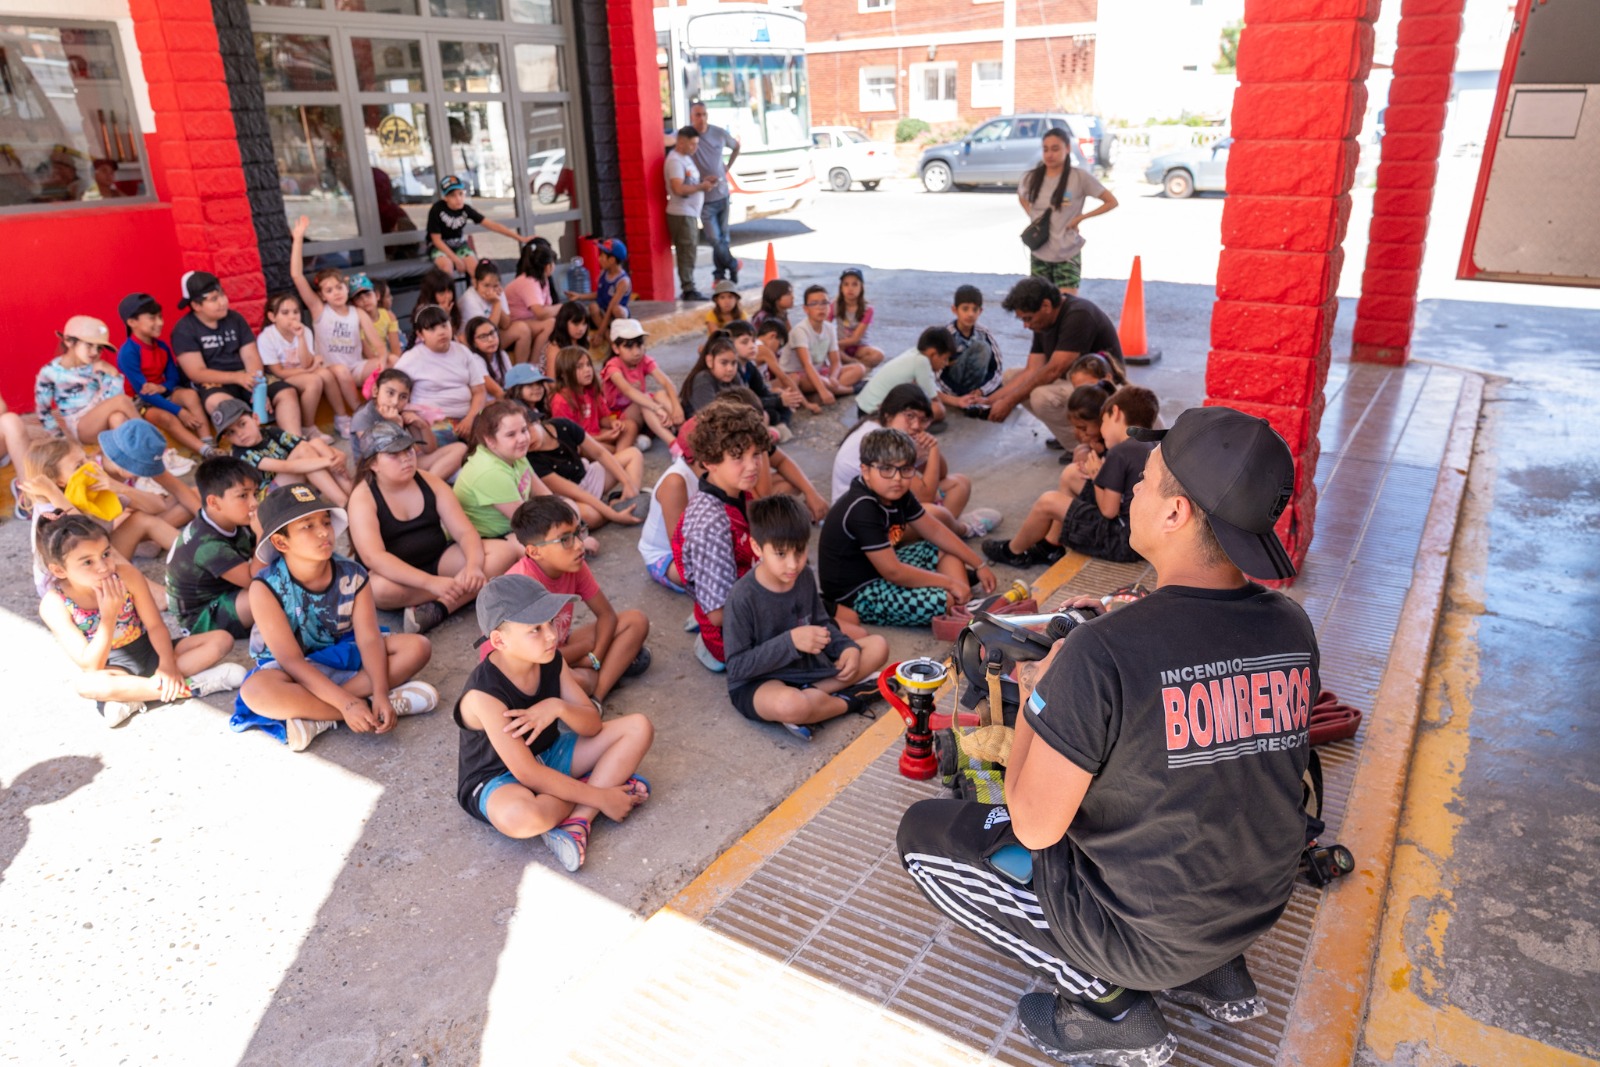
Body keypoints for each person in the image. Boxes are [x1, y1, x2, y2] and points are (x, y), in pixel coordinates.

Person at [897, 406, 1314, 1065]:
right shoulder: (1292, 626)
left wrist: (1040, 694)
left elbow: (1034, 826)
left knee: (925, 837)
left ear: (1176, 513)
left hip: (1143, 933)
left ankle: (1112, 1007)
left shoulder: (1103, 652)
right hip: (1254, 909)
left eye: (1146, 478)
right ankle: (1215, 970)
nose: (1134, 489)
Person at [453, 574, 653, 872]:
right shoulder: (484, 695)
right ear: (499, 640)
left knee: (639, 727)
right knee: (522, 818)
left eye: (550, 622)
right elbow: (528, 773)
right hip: (499, 779)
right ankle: (597, 785)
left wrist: (557, 707)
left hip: (549, 754)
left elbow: (592, 725)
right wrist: (602, 796)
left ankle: (580, 819)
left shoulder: (550, 659)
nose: (551, 636)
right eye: (535, 629)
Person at [233, 484, 439, 752]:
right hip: (290, 670)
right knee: (255, 691)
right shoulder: (265, 588)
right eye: (308, 526)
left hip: (339, 655)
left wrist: (379, 691)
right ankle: (359, 710)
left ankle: (319, 715)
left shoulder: (353, 574)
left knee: (418, 647)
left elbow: (369, 639)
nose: (323, 532)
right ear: (282, 542)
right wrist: (346, 704)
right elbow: (292, 661)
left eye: (326, 522)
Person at [39, 514, 243, 728]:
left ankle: (134, 697)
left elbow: (155, 625)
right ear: (59, 570)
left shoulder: (126, 575)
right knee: (86, 684)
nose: (103, 567)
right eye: (88, 562)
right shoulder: (54, 604)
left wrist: (167, 665)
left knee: (221, 640)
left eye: (106, 554)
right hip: (113, 669)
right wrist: (109, 616)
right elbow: (91, 665)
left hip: (151, 651)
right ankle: (189, 686)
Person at [722, 494, 889, 741]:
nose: (793, 564)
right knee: (791, 705)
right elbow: (737, 667)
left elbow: (822, 623)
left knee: (878, 645)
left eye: (799, 551)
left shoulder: (804, 576)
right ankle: (852, 699)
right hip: (761, 682)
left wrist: (847, 648)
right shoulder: (742, 596)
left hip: (807, 669)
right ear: (757, 548)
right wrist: (790, 642)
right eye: (781, 554)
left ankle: (814, 697)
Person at [346, 422, 520, 634]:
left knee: (502, 552)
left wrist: (473, 566)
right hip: (394, 576)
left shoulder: (429, 481)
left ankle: (439, 607)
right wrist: (431, 583)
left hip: (438, 559)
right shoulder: (362, 498)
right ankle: (461, 592)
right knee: (376, 589)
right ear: (373, 463)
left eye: (408, 450)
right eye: (394, 455)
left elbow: (464, 532)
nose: (406, 458)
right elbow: (374, 558)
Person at [818, 428, 997, 630]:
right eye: (886, 469)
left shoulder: (897, 492)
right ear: (865, 471)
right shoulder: (862, 508)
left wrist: (979, 564)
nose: (897, 478)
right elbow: (893, 572)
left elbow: (936, 531)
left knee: (947, 550)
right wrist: (949, 582)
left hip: (881, 569)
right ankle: (960, 605)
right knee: (943, 599)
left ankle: (964, 605)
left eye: (905, 469)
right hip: (857, 593)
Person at [985, 384, 1158, 568]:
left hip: (1122, 541)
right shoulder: (1150, 443)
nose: (1102, 429)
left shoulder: (1120, 452)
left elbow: (1109, 511)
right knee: (1072, 474)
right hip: (1143, 536)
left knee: (1048, 502)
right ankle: (1051, 545)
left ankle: (1014, 552)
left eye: (1103, 421)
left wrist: (1097, 477)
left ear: (1115, 413)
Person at [507, 497, 651, 704]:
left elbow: (606, 615)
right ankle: (606, 674)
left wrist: (595, 657)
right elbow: (535, 661)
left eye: (578, 532)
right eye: (565, 540)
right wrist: (587, 647)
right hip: (527, 670)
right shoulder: (522, 587)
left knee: (635, 621)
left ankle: (596, 700)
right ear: (534, 552)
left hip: (559, 648)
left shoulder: (574, 565)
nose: (579, 545)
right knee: (581, 681)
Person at [671, 401, 769, 672]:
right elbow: (718, 614)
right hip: (730, 637)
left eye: (756, 454)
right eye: (738, 457)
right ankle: (707, 648)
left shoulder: (737, 491)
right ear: (709, 462)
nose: (752, 466)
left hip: (749, 594)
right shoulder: (710, 523)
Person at [832, 384, 998, 541]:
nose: (917, 425)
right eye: (909, 416)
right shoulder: (883, 442)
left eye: (923, 419)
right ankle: (962, 529)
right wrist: (933, 449)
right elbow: (926, 496)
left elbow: (941, 474)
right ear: (888, 414)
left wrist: (931, 448)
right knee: (934, 512)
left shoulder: (891, 430)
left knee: (960, 484)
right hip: (862, 528)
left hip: (885, 506)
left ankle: (940, 533)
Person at [985, 276, 1124, 452]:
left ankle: (1087, 448)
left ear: (1046, 305)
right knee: (1011, 377)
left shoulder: (1079, 314)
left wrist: (1008, 402)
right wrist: (990, 400)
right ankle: (1071, 435)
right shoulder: (1042, 321)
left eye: (1028, 318)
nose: (1026, 325)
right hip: (1073, 381)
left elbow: (1054, 370)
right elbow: (1032, 369)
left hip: (1105, 387)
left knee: (1041, 397)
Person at [171, 271, 301, 431]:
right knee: (224, 405)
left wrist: (258, 389)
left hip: (247, 377)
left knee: (286, 393)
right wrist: (237, 378)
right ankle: (254, 443)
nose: (223, 302)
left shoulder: (235, 319)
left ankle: (295, 441)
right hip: (214, 382)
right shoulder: (184, 329)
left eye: (222, 295)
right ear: (196, 306)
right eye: (214, 299)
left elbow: (251, 356)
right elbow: (196, 372)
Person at [21, 436, 183, 562]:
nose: (90, 465)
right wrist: (53, 493)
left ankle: (192, 554)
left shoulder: (89, 486)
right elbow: (85, 537)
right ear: (59, 482)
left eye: (87, 458)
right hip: (81, 576)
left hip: (102, 553)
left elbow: (158, 506)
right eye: (78, 466)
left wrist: (117, 486)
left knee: (142, 519)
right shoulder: (49, 509)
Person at [290, 216, 385, 417]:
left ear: (346, 288)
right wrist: (298, 239)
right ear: (322, 296)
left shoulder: (357, 313)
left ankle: (387, 407)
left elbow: (378, 344)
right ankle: (360, 414)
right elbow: (297, 276)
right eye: (329, 290)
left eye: (339, 287)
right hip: (332, 370)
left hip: (356, 368)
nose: (336, 293)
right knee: (341, 370)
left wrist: (384, 360)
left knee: (392, 360)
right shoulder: (319, 310)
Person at [166, 457, 262, 641]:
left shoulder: (231, 519)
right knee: (267, 592)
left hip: (226, 592)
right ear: (214, 502)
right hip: (201, 619)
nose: (254, 503)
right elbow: (255, 580)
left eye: (255, 494)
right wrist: (261, 535)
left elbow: (255, 553)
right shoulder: (207, 546)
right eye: (243, 496)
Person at [1019, 126, 1119, 295]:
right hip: (1039, 251)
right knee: (1040, 303)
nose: (1049, 154)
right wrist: (1033, 216)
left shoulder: (1080, 177)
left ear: (1067, 148)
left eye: (1055, 149)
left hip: (1068, 252)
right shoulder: (1031, 177)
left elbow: (1111, 202)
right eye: (1045, 149)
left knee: (1067, 303)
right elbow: (1022, 196)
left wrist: (1080, 218)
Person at [114, 293, 211, 456]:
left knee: (190, 395)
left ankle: (209, 441)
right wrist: (179, 411)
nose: (160, 323)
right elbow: (144, 392)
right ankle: (206, 451)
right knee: (167, 418)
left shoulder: (162, 347)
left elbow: (174, 378)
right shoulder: (128, 352)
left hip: (162, 392)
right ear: (132, 322)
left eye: (160, 317)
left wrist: (162, 387)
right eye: (152, 318)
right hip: (141, 402)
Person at [212, 398, 352, 507]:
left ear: (256, 419)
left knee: (316, 443)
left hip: (290, 486)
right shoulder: (240, 453)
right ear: (227, 438)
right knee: (305, 451)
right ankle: (344, 503)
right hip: (269, 502)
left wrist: (338, 455)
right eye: (231, 432)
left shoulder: (271, 432)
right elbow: (286, 467)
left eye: (242, 424)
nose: (240, 434)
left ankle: (352, 494)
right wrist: (329, 461)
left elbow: (308, 447)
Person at [523, 405, 643, 531]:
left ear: (538, 421)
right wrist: (615, 516)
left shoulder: (562, 425)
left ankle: (629, 499)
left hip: (587, 475)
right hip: (569, 496)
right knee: (590, 516)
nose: (526, 440)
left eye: (527, 430)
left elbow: (600, 453)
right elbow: (577, 492)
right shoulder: (530, 459)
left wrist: (628, 482)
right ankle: (614, 507)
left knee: (633, 454)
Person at [256, 292, 352, 443]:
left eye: (296, 312)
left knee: (325, 374)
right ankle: (308, 427)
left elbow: (306, 362)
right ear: (272, 317)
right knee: (313, 381)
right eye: (285, 313)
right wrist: (308, 370)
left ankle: (342, 418)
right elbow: (278, 372)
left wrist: (300, 337)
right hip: (279, 378)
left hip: (303, 371)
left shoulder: (304, 331)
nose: (292, 317)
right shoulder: (267, 337)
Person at [35, 316, 142, 445]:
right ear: (69, 341)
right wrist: (64, 442)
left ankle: (128, 453)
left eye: (99, 348)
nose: (95, 352)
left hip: (101, 419)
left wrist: (113, 374)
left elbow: (112, 400)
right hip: (80, 427)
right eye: (89, 345)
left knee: (117, 417)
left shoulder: (98, 366)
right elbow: (44, 413)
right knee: (121, 401)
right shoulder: (50, 372)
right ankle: (150, 438)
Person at [348, 368, 468, 481]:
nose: (395, 402)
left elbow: (430, 450)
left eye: (403, 397)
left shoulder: (402, 412)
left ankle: (428, 484)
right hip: (378, 473)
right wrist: (396, 425)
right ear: (375, 391)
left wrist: (422, 426)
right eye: (390, 393)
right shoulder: (363, 417)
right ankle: (429, 483)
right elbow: (381, 457)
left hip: (404, 463)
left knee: (461, 448)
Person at [453, 399, 547, 540]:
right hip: (489, 539)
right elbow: (527, 522)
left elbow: (545, 495)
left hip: (514, 529)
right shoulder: (489, 472)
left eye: (524, 430)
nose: (522, 439)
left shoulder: (513, 453)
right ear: (490, 440)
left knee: (568, 508)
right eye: (511, 434)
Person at [393, 304, 488, 442]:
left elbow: (479, 391)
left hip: (469, 417)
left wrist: (470, 419)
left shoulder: (463, 351)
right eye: (432, 329)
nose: (441, 332)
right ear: (420, 334)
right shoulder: (411, 358)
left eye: (444, 325)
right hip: (432, 422)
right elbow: (392, 389)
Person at [426, 174, 530, 278]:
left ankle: (479, 288)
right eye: (453, 195)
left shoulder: (465, 209)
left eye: (460, 194)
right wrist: (456, 260)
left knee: (475, 270)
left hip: (459, 245)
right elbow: (436, 240)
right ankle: (448, 289)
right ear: (445, 197)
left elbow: (492, 225)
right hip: (439, 247)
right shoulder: (437, 210)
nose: (458, 198)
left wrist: (520, 238)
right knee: (446, 267)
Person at [600, 318, 682, 448]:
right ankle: (675, 446)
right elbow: (628, 390)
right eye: (629, 347)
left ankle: (685, 432)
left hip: (645, 413)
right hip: (620, 419)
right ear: (616, 348)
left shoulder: (644, 360)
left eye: (639, 345)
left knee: (660, 394)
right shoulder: (613, 366)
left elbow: (666, 382)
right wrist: (657, 408)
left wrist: (677, 408)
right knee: (644, 402)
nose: (636, 352)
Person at [690, 100, 742, 286]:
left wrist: (727, 166)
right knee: (714, 239)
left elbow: (736, 146)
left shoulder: (718, 133)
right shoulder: (689, 136)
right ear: (692, 117)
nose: (702, 118)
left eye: (704, 114)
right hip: (704, 198)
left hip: (722, 193)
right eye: (698, 115)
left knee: (723, 239)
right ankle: (733, 264)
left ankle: (720, 275)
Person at [786, 285, 865, 405]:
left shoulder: (829, 328)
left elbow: (835, 361)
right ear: (806, 309)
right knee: (825, 382)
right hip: (798, 376)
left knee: (859, 369)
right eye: (814, 304)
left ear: (829, 306)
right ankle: (849, 390)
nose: (820, 308)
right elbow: (807, 365)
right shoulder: (800, 331)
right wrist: (823, 390)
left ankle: (819, 394)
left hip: (819, 372)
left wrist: (833, 377)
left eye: (824, 303)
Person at [854, 326, 952, 421]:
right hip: (874, 415)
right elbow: (934, 398)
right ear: (933, 354)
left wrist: (955, 401)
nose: (946, 363)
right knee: (938, 410)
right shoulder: (922, 362)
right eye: (945, 359)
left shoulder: (914, 352)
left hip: (863, 408)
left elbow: (930, 389)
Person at [665, 125, 715, 301]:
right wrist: (701, 186)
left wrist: (703, 182)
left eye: (696, 144)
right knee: (686, 251)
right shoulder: (675, 161)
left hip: (690, 213)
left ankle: (689, 286)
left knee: (690, 250)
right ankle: (688, 288)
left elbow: (689, 182)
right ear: (681, 142)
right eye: (692, 144)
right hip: (681, 213)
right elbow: (678, 188)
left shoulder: (686, 159)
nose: (695, 147)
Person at [550, 345, 629, 451]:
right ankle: (621, 453)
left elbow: (601, 419)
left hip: (597, 435)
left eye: (588, 364)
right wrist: (602, 438)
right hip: (580, 443)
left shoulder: (592, 390)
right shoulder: (561, 400)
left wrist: (612, 423)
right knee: (603, 449)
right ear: (564, 374)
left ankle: (619, 453)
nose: (587, 370)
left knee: (630, 426)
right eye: (579, 367)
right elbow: (571, 438)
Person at [940, 284, 1006, 410]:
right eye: (965, 309)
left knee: (1006, 385)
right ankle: (968, 397)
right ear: (955, 310)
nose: (970, 314)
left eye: (975, 310)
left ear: (980, 311)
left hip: (978, 385)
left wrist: (982, 390)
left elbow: (997, 368)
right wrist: (957, 396)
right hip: (954, 385)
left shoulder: (984, 333)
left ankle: (975, 397)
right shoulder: (946, 334)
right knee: (980, 347)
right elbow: (937, 374)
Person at [460, 261, 536, 368]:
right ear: (475, 283)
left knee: (523, 329)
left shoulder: (498, 292)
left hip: (491, 336)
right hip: (474, 342)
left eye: (495, 285)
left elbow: (506, 324)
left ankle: (520, 371)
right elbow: (485, 331)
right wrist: (496, 304)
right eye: (486, 285)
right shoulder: (469, 299)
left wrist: (497, 302)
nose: (490, 290)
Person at [504, 242, 559, 365]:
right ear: (548, 266)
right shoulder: (529, 281)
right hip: (512, 325)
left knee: (553, 322)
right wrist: (561, 307)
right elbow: (540, 313)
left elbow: (547, 308)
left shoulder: (543, 279)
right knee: (550, 323)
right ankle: (534, 364)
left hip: (527, 321)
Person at [566, 239, 630, 338]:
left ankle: (622, 334)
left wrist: (599, 334)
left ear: (612, 260)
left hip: (614, 314)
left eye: (602, 256)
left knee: (617, 310)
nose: (599, 258)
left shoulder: (623, 281)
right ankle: (607, 335)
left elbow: (611, 307)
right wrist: (579, 296)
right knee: (593, 306)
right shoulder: (603, 273)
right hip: (602, 312)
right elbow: (600, 294)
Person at [831, 267, 884, 369]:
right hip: (840, 347)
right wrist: (830, 344)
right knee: (829, 349)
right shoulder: (834, 305)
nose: (850, 288)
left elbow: (855, 339)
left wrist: (834, 344)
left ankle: (853, 366)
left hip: (859, 347)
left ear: (861, 287)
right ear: (841, 288)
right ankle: (856, 365)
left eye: (855, 284)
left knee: (878, 355)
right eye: (846, 284)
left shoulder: (867, 309)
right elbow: (824, 326)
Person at [680, 333, 741, 417]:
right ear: (710, 361)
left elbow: (747, 403)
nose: (730, 369)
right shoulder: (702, 380)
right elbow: (711, 416)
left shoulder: (735, 377)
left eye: (734, 363)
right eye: (724, 363)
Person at [351, 275, 402, 360]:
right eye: (358, 298)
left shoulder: (389, 316)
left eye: (368, 295)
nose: (365, 300)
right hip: (367, 362)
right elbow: (368, 354)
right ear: (354, 303)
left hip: (387, 357)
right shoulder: (357, 323)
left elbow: (396, 349)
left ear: (377, 296)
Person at [464, 316, 512, 399]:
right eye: (483, 337)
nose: (490, 339)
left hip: (505, 400)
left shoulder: (502, 354)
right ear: (473, 343)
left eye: (492, 333)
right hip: (488, 405)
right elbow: (497, 392)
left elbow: (513, 383)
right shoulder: (475, 360)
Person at [411, 268, 462, 342]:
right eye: (442, 293)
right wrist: (444, 315)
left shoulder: (451, 306)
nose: (447, 296)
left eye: (449, 291)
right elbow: (439, 336)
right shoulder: (423, 311)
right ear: (431, 294)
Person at [545, 300, 592, 373]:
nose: (581, 329)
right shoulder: (555, 347)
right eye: (576, 324)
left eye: (584, 324)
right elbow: (552, 379)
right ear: (563, 323)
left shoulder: (583, 342)